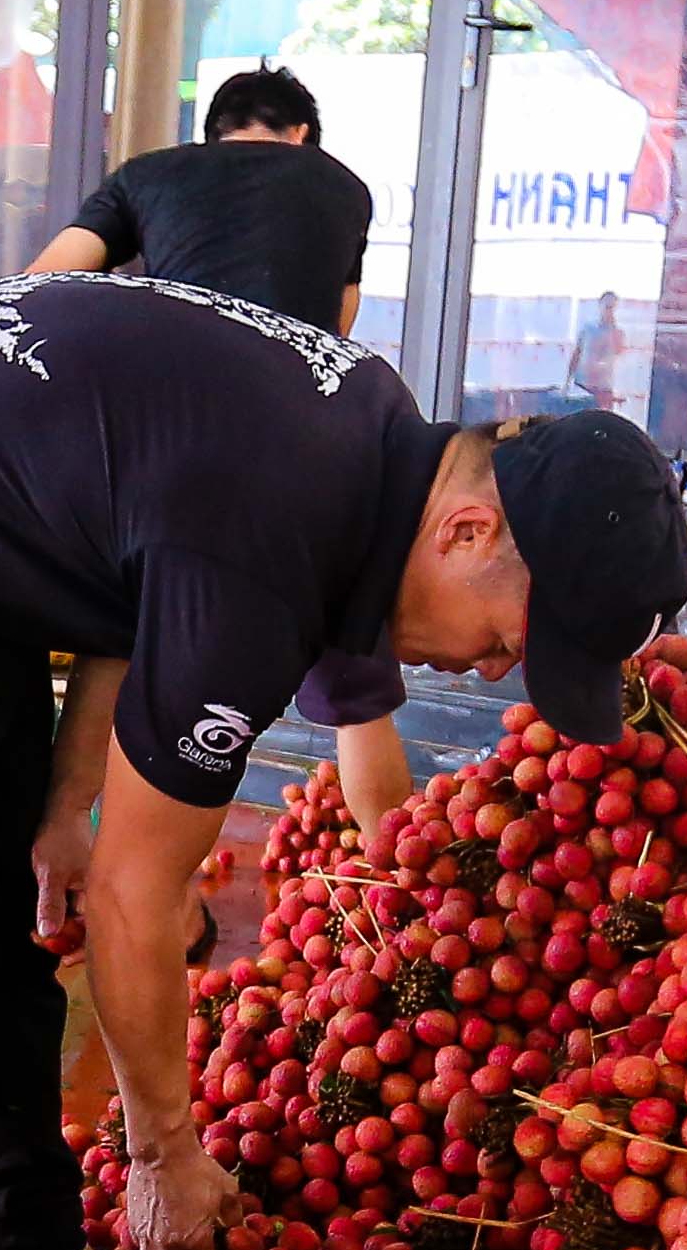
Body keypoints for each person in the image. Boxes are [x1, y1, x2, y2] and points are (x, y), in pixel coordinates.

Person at [0, 269, 687, 1250]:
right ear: (467, 529)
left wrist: (69, 793)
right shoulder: (271, 545)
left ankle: (33, 1235)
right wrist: (162, 1152)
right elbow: (141, 895)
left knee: (6, 914)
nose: (492, 669)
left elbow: (131, 568)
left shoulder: (371, 439)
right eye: (512, 639)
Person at [27, 67, 413, 831]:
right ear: (301, 133)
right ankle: (395, 888)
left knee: (118, 630)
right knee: (354, 684)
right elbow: (334, 327)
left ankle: (64, 831)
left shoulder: (148, 176)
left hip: (161, 446)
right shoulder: (342, 188)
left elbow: (44, 281)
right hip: (304, 447)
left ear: (215, 131)